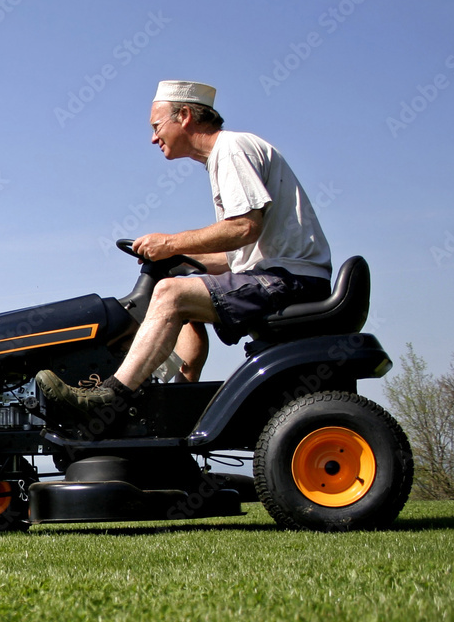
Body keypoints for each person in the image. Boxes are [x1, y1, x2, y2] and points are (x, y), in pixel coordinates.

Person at [37, 79, 332, 429]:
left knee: (170, 295)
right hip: (277, 276)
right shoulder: (225, 156)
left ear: (186, 116)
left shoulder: (232, 149)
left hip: (290, 281)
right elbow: (239, 254)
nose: (153, 138)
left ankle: (110, 397)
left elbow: (243, 228)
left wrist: (171, 244)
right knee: (184, 284)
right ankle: (179, 395)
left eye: (156, 126)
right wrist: (175, 262)